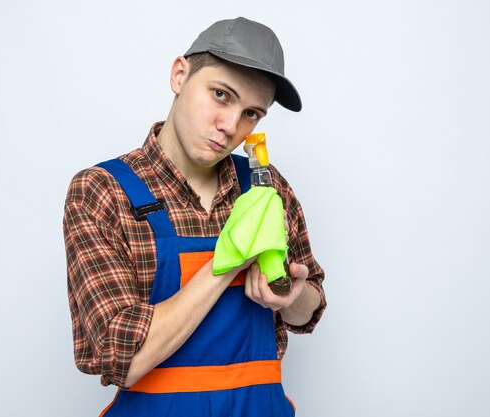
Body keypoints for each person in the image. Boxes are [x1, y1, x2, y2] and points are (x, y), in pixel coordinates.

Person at [63, 17, 326, 416]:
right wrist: (226, 263)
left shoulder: (267, 188)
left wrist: (292, 296)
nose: (230, 126)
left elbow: (309, 309)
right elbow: (124, 359)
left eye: (252, 113)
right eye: (221, 95)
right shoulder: (102, 192)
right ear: (179, 75)